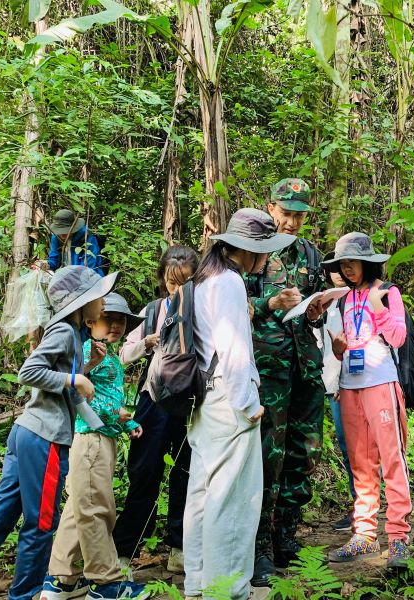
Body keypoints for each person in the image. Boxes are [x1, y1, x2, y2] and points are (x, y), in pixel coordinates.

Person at [0, 265, 118, 600]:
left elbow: (56, 383)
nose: (104, 304)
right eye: (99, 297)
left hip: (28, 434)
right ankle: (24, 595)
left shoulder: (73, 335)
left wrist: (84, 370)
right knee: (41, 525)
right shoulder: (63, 331)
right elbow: (30, 371)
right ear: (82, 302)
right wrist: (74, 379)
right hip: (44, 439)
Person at [183, 208, 294, 600]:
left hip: (204, 401)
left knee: (202, 492)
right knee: (232, 498)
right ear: (252, 251)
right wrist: (249, 403)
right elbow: (231, 348)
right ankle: (227, 588)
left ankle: (197, 580)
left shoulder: (203, 279)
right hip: (229, 400)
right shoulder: (229, 282)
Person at [43, 292, 149, 600]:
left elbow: (106, 398)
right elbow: (80, 392)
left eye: (121, 321)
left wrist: (126, 421)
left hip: (101, 435)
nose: (115, 326)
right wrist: (116, 412)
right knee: (96, 508)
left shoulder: (108, 353)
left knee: (80, 506)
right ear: (91, 321)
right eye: (108, 319)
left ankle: (60, 579)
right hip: (90, 435)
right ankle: (106, 582)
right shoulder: (88, 350)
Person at [247, 179, 326, 586]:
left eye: (299, 214)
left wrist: (316, 311)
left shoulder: (311, 254)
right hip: (268, 367)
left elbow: (315, 306)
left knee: (304, 451)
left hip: (305, 366)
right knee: (266, 457)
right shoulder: (252, 250)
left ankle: (286, 536)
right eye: (287, 212)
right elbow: (230, 304)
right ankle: (258, 546)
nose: (293, 221)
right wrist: (268, 303)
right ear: (271, 207)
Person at [323, 232, 412, 568]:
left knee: (392, 459)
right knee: (360, 462)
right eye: (342, 264)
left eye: (352, 262)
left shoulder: (387, 293)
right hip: (350, 386)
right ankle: (364, 534)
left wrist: (379, 309)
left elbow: (397, 337)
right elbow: (346, 342)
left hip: (381, 382)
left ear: (367, 262)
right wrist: (339, 349)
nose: (347, 268)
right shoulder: (344, 298)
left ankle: (399, 537)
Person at [113, 245, 199, 573]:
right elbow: (122, 354)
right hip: (153, 400)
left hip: (191, 400)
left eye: (185, 282)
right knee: (144, 472)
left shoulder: (201, 310)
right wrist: (144, 343)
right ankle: (124, 549)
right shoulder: (152, 310)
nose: (177, 289)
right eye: (171, 281)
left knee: (186, 474)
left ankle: (180, 547)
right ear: (163, 279)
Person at [317, 259, 356, 532]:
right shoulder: (325, 302)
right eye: (333, 270)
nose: (338, 274)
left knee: (355, 448)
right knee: (347, 447)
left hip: (349, 386)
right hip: (331, 385)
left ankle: (362, 508)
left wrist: (343, 383)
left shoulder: (356, 300)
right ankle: (361, 506)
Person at [46, 209, 104, 275]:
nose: (63, 233)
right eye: (61, 230)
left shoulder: (87, 237)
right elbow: (54, 259)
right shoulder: (56, 237)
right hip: (64, 277)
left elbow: (88, 267)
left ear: (74, 227)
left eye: (65, 230)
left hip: (88, 278)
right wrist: (47, 265)